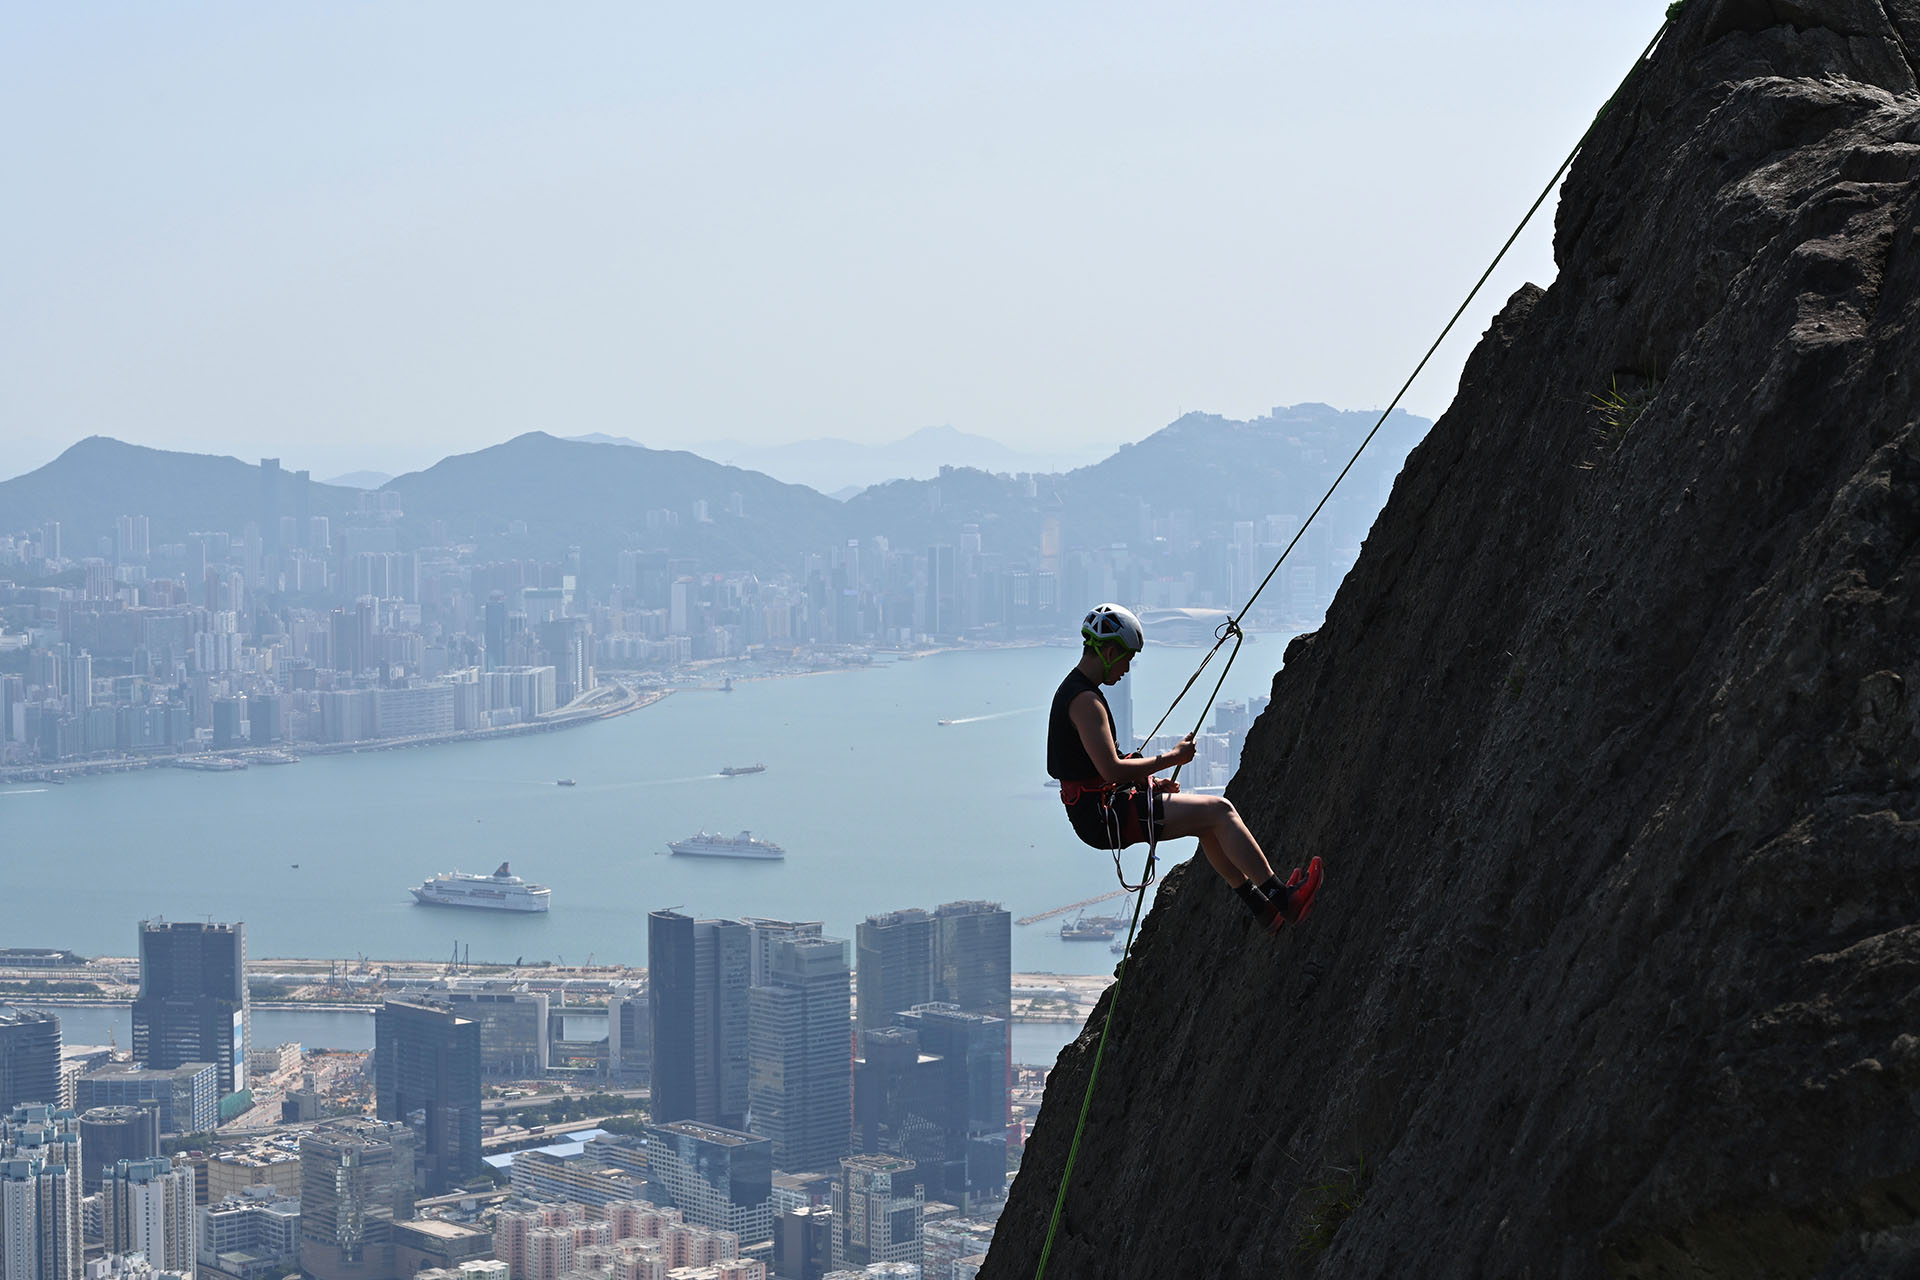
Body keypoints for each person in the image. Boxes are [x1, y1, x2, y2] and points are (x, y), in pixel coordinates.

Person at [1048, 602, 1322, 930]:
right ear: (1108, 651)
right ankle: (1283, 899)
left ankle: (1263, 909)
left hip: (1100, 812)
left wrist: (1146, 785)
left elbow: (1095, 771)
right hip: (1106, 816)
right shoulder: (1086, 702)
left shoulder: (1075, 692)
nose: (1127, 668)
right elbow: (1110, 770)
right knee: (1221, 811)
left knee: (1207, 823)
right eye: (1127, 658)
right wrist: (1172, 759)